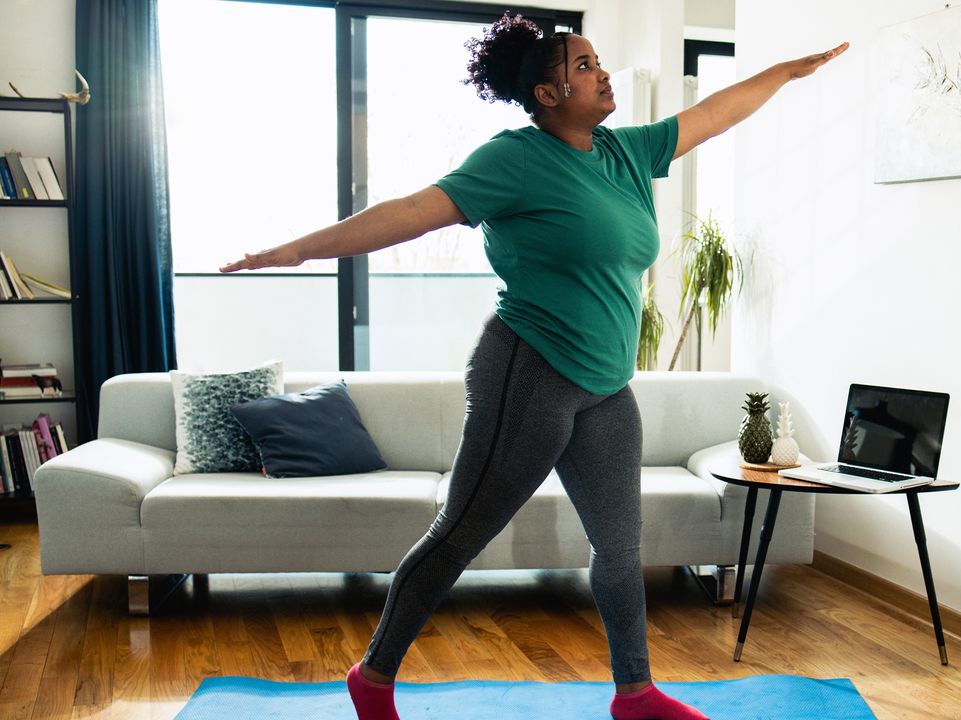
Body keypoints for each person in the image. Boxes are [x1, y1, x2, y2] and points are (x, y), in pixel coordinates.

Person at [221, 14, 846, 720]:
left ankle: (635, 695)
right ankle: (373, 675)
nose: (602, 73)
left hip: (607, 387)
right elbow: (414, 211)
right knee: (460, 534)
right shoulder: (513, 159)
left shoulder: (624, 153)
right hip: (531, 373)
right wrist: (297, 250)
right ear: (547, 94)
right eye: (583, 66)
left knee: (619, 544)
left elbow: (711, 115)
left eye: (596, 60)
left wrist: (785, 73)